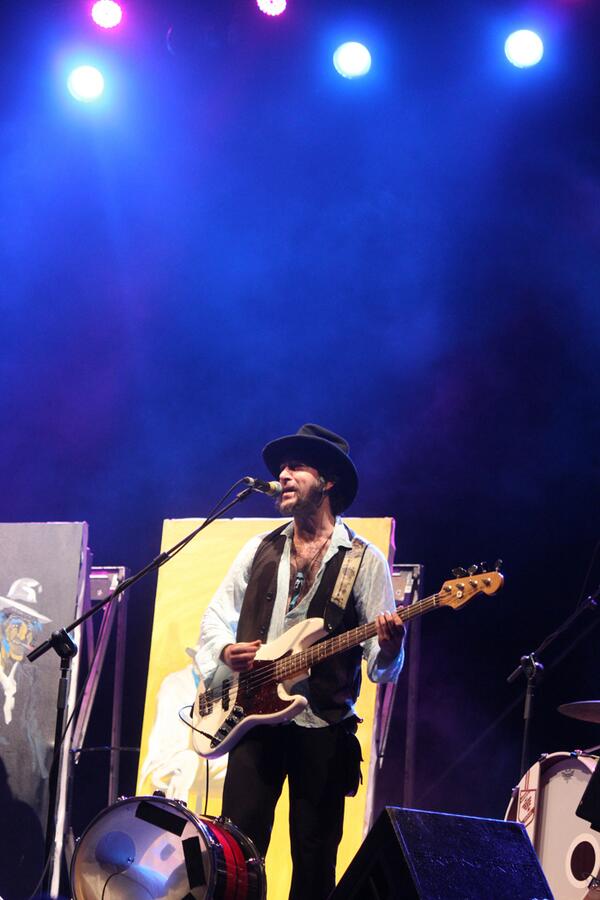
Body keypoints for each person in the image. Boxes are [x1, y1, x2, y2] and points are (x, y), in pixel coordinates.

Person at [196, 423, 405, 900]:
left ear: (327, 481)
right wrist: (227, 652)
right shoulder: (260, 547)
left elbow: (378, 664)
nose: (283, 476)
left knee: (314, 861)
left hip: (324, 731)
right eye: (282, 468)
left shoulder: (363, 560)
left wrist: (390, 646)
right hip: (252, 719)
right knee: (236, 855)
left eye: (297, 467)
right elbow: (215, 618)